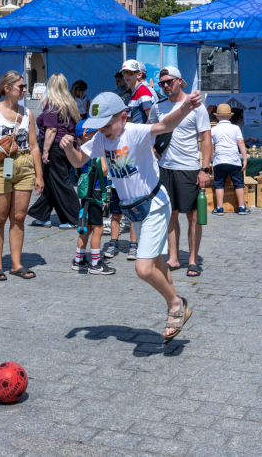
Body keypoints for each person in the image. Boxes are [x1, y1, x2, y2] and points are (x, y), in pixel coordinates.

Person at [60, 90, 205, 343]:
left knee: (143, 268)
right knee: (157, 263)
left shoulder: (135, 132)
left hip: (155, 206)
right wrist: (68, 149)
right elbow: (78, 160)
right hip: (133, 209)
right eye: (98, 126)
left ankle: (174, 305)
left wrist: (186, 108)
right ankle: (180, 304)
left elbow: (165, 125)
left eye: (107, 124)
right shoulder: (101, 140)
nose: (103, 130)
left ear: (124, 117)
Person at [0, 71, 45, 281]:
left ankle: (16, 264)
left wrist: (39, 175)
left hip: (24, 165)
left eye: (25, 86)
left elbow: (35, 146)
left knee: (18, 217)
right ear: (7, 88)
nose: (25, 90)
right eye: (21, 86)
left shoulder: (27, 113)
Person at [150, 66, 212, 274]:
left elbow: (206, 138)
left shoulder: (196, 107)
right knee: (171, 214)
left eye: (170, 81)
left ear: (180, 81)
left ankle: (193, 259)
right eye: (162, 83)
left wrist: (205, 169)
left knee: (193, 216)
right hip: (165, 168)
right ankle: (174, 258)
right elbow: (150, 132)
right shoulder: (158, 107)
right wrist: (152, 148)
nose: (166, 85)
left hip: (189, 168)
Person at [27, 74, 81, 230]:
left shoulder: (52, 104)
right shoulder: (70, 102)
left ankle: (75, 217)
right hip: (66, 146)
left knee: (60, 181)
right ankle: (42, 214)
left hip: (55, 147)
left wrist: (45, 152)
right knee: (51, 181)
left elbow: (51, 129)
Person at [72, 121, 116, 276]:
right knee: (98, 229)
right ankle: (95, 263)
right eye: (95, 132)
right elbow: (103, 170)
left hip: (86, 194)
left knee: (86, 228)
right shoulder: (93, 150)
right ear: (85, 134)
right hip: (96, 193)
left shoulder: (80, 151)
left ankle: (79, 260)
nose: (99, 134)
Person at [211, 103, 248, 215]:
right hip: (234, 160)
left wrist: (212, 160)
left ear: (217, 116)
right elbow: (241, 143)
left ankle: (219, 208)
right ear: (230, 116)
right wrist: (245, 159)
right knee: (239, 184)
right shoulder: (236, 128)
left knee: (219, 185)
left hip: (219, 161)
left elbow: (210, 147)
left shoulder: (213, 129)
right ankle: (241, 207)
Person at [121, 59, 155, 124]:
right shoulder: (135, 91)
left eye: (130, 72)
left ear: (139, 74)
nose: (126, 75)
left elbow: (151, 117)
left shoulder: (142, 91)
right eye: (124, 72)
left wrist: (144, 133)